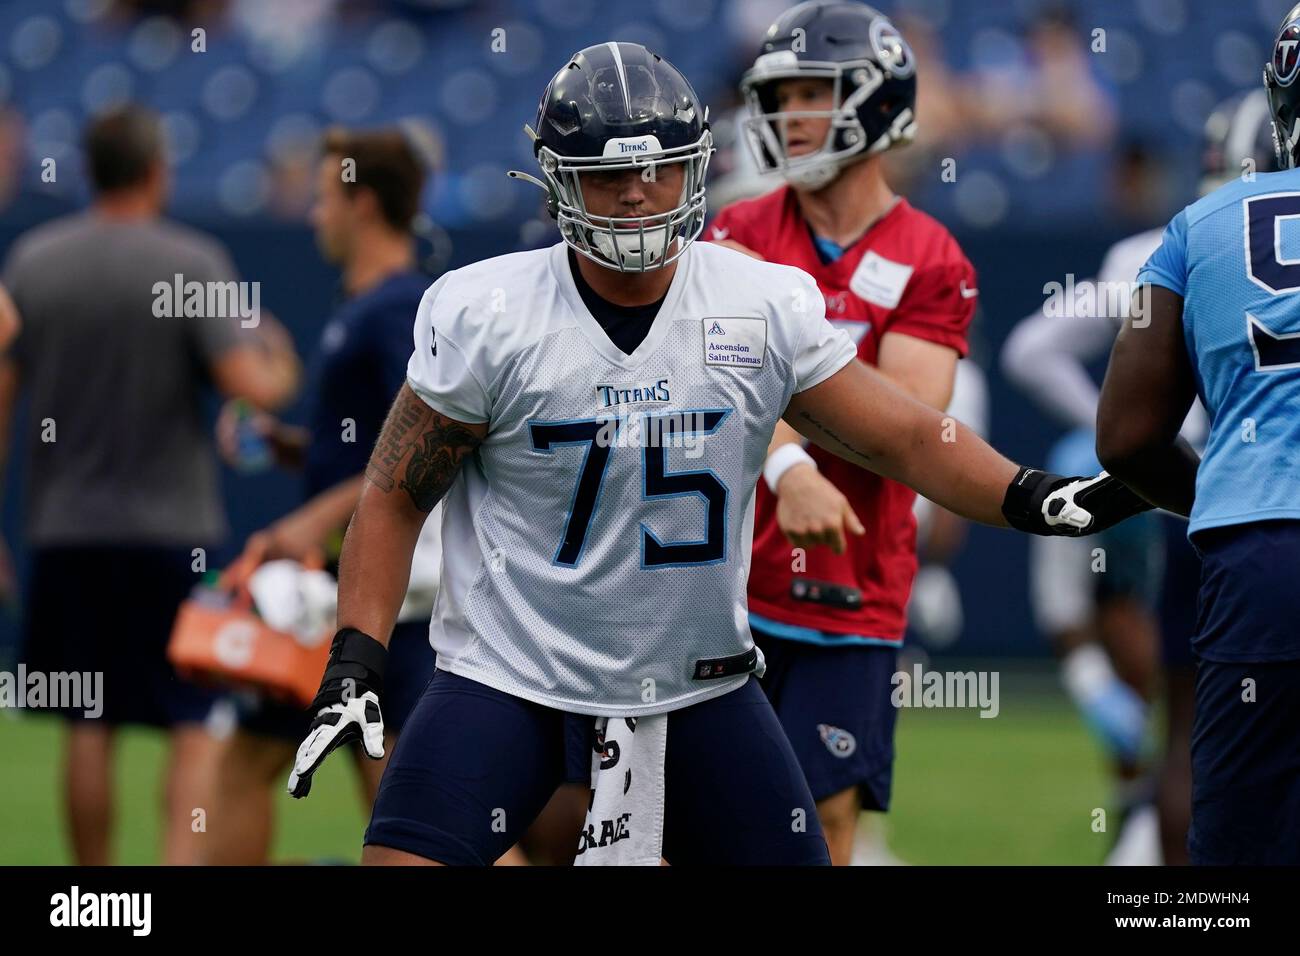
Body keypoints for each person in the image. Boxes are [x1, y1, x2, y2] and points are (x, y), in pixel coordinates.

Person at [287, 42, 1148, 867]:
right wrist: (355, 658)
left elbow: (909, 437)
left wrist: (1038, 495)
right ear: (557, 180)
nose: (635, 193)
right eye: (608, 172)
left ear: (695, 164)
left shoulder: (755, 300)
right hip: (510, 676)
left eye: (657, 166)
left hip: (695, 686)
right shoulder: (489, 313)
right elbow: (395, 494)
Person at [705, 1, 978, 865]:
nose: (785, 116)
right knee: (682, 823)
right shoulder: (735, 231)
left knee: (821, 826)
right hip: (715, 580)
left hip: (847, 586)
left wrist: (784, 425)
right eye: (777, 96)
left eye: (806, 95)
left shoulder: (932, 259)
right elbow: (718, 379)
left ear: (871, 101)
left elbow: (897, 427)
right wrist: (789, 463)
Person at [0, 105, 300, 864]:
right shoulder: (191, 261)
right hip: (173, 535)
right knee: (197, 720)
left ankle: (99, 894)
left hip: (66, 531)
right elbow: (251, 388)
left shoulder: (34, 261)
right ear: (157, 169)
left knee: (87, 723)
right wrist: (281, 357)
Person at [1004, 90, 1276, 866]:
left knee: (1187, 725)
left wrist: (1119, 437)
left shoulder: (1179, 238)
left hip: (1191, 502)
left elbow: (1032, 349)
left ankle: (1164, 879)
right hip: (1265, 497)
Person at [202, 127, 449, 864]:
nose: (313, 216)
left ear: (362, 204)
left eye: (321, 199)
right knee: (395, 794)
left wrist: (300, 526)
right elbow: (373, 445)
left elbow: (418, 456)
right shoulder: (371, 306)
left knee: (391, 800)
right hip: (353, 594)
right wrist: (294, 449)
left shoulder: (396, 309)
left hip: (368, 593)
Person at [1095, 5, 1300, 865]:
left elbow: (1127, 436)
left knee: (1240, 839)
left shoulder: (1201, 226)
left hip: (1259, 549)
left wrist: (1217, 490)